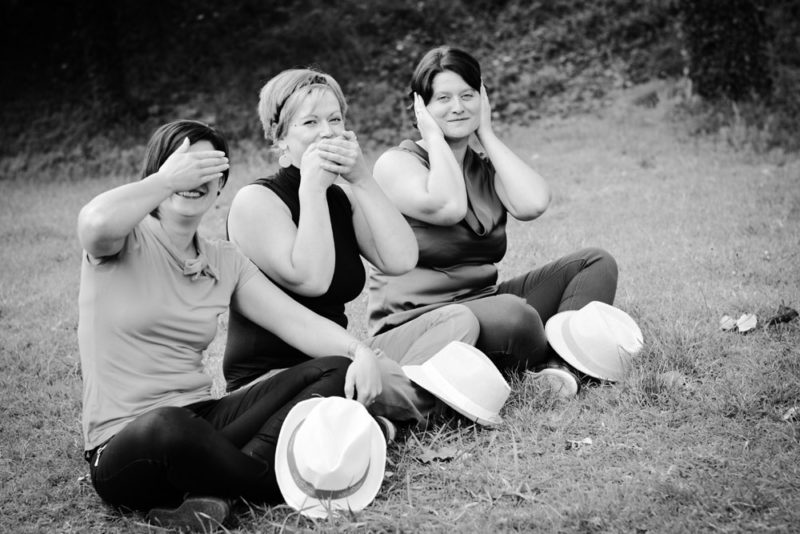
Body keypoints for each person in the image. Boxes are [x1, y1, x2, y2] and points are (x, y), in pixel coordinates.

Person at [77, 120, 385, 530]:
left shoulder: (223, 260)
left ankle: (214, 490)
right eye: (184, 165)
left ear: (220, 185)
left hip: (205, 420)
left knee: (336, 368)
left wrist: (358, 351)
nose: (194, 178)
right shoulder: (121, 241)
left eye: (208, 169)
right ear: (157, 173)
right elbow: (95, 223)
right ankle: (280, 481)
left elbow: (296, 322)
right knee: (168, 424)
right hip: (127, 443)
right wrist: (167, 180)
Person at [224, 68, 479, 424]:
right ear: (280, 139)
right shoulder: (256, 201)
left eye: (335, 119)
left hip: (344, 357)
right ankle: (443, 399)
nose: (327, 131)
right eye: (310, 122)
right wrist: (310, 189)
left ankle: (388, 410)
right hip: (275, 378)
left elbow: (402, 259)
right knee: (376, 375)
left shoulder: (342, 196)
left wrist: (361, 178)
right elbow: (311, 279)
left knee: (457, 319)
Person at [368, 46, 619, 395]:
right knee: (516, 316)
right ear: (420, 107)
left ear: (482, 98)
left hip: (486, 302)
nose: (458, 107)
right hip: (421, 321)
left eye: (467, 95)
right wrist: (434, 137)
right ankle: (550, 361)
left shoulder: (483, 167)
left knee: (595, 263)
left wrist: (485, 132)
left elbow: (533, 203)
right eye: (443, 98)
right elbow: (449, 206)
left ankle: (560, 368)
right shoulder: (396, 164)